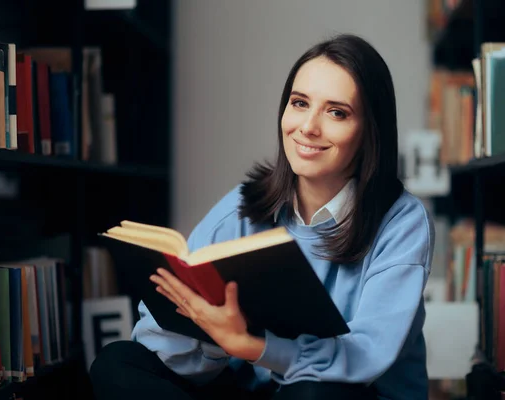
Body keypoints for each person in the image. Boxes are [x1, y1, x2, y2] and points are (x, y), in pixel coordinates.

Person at [90, 33, 435, 400]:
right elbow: (161, 344)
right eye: (300, 103)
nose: (308, 127)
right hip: (256, 390)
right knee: (118, 364)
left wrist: (251, 345)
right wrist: (213, 336)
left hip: (348, 393)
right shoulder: (245, 204)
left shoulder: (402, 221)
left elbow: (366, 355)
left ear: (370, 131)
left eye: (337, 112)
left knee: (315, 394)